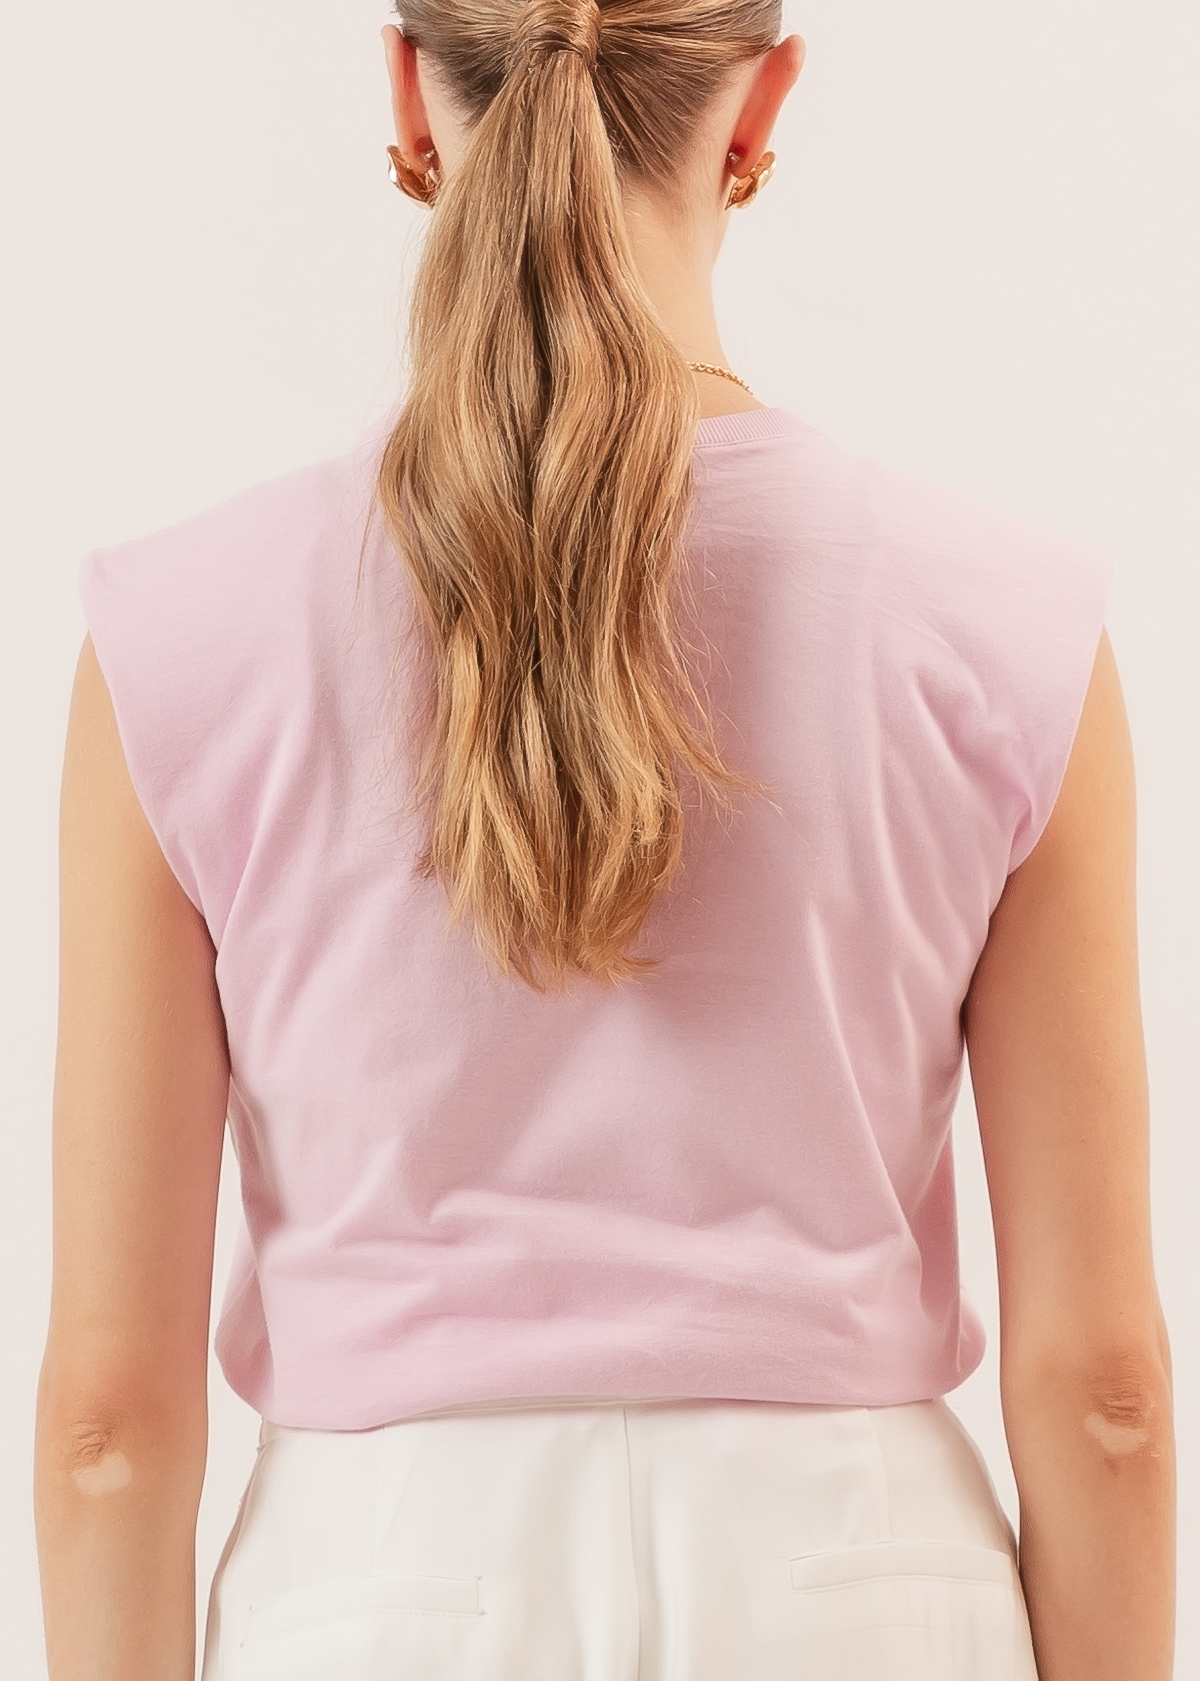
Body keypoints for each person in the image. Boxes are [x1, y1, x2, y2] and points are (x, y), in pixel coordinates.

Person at [34, 0, 1175, 1677]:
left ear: (412, 90)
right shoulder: (1007, 631)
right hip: (862, 1590)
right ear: (760, 104)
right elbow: (1104, 1391)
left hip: (381, 1598)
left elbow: (110, 1427)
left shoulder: (179, 639)